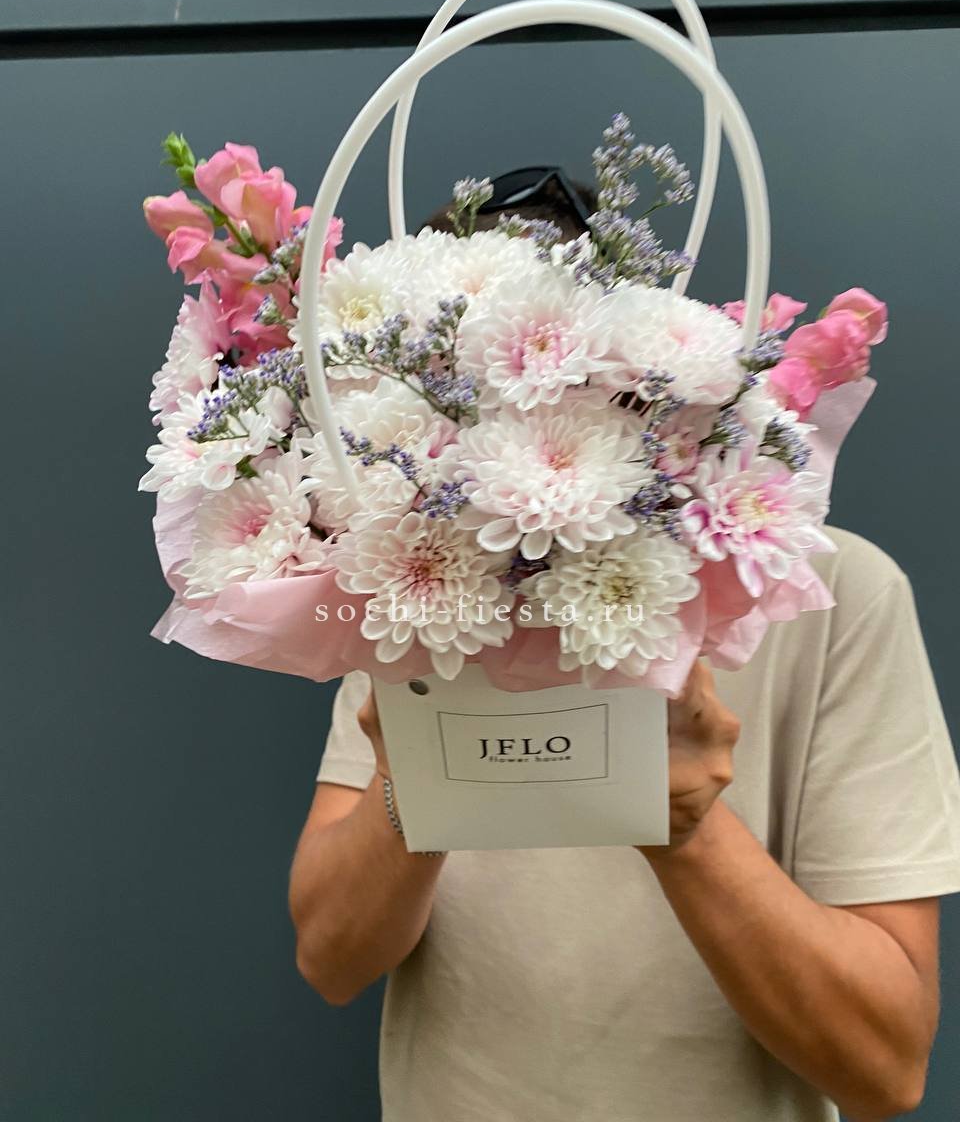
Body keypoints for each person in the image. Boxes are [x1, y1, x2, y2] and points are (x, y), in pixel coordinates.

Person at [287, 171, 960, 1122]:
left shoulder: (835, 593)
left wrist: (683, 824)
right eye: (448, 390)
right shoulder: (406, 580)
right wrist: (416, 787)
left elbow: (885, 1069)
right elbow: (330, 961)